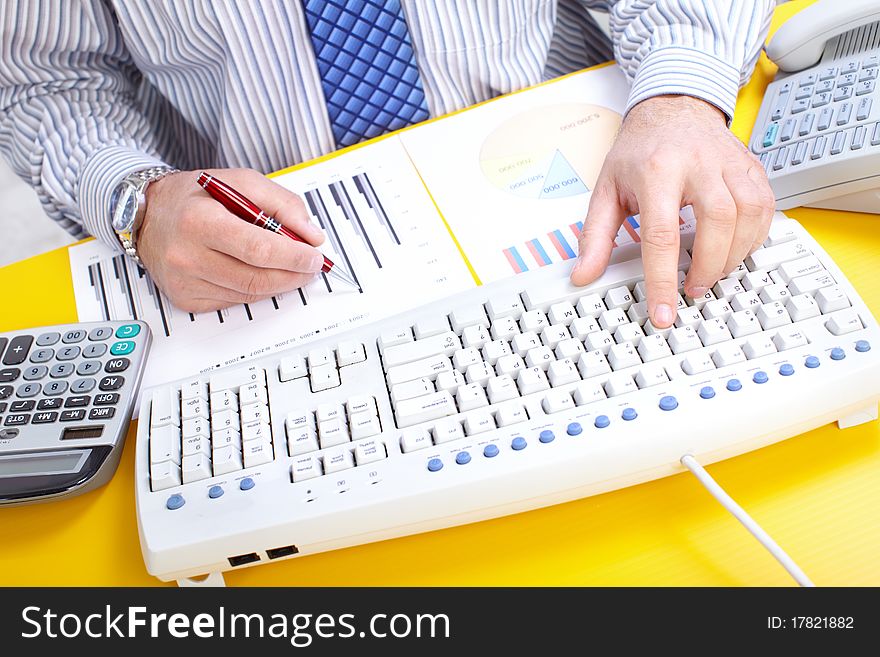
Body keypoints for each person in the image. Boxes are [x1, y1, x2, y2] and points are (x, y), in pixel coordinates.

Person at [0, 0, 776, 328]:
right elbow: (47, 79)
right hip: (263, 257)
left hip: (569, 186)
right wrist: (135, 198)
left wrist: (680, 91)